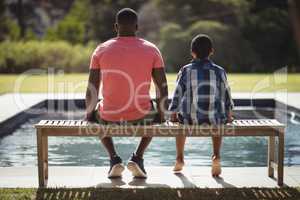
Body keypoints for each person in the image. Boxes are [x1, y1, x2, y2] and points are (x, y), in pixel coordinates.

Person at [85, 8, 168, 179]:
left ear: (116, 26)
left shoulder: (101, 50)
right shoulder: (152, 49)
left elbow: (92, 88)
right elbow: (162, 87)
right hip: (142, 115)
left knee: (96, 113)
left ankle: (114, 159)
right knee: (154, 115)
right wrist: (161, 114)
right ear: (137, 27)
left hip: (109, 116)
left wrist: (89, 115)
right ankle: (137, 158)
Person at [169, 34, 234, 177]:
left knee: (180, 122)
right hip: (214, 119)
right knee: (218, 119)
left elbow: (178, 94)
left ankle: (179, 158)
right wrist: (229, 115)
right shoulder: (219, 71)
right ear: (211, 51)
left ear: (192, 52)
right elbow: (226, 95)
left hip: (189, 119)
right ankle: (216, 155)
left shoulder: (185, 70)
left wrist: (173, 112)